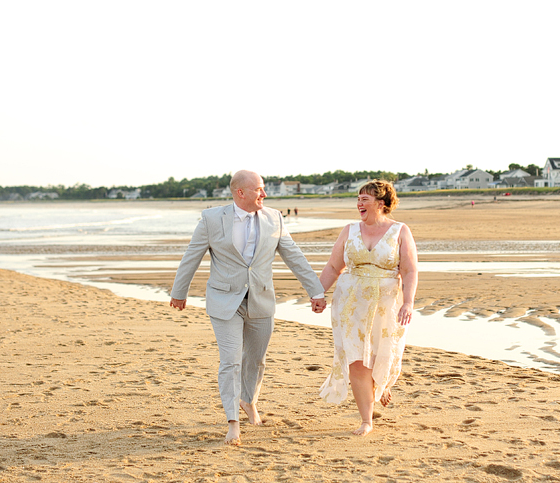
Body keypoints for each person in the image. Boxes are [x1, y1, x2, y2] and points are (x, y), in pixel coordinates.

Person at [169, 170, 326, 446]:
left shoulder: (274, 218)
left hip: (261, 300)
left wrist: (315, 290)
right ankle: (233, 422)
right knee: (230, 360)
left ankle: (248, 400)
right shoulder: (211, 219)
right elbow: (191, 256)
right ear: (240, 193)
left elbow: (294, 256)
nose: (264, 194)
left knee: (256, 358)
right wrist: (179, 292)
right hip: (224, 301)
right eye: (259, 189)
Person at [318, 180, 418, 436]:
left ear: (381, 203)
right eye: (358, 198)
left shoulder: (400, 231)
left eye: (365, 199)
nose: (359, 203)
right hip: (351, 305)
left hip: (386, 305)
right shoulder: (349, 230)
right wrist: (318, 293)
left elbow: (408, 270)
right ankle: (366, 420)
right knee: (357, 359)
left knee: (381, 354)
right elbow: (333, 267)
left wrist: (408, 302)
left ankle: (380, 384)